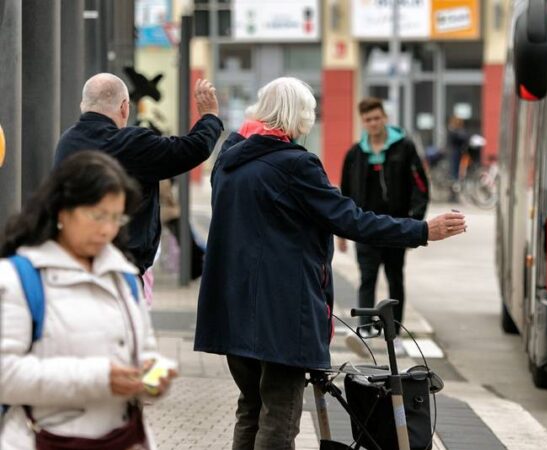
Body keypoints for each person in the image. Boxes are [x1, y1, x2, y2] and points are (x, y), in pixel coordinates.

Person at [194, 77, 466, 449]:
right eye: (308, 115)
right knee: (280, 416)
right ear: (296, 117)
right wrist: (421, 230)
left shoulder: (229, 160)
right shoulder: (295, 165)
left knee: (251, 408)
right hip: (281, 315)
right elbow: (351, 219)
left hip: (232, 308)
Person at [0, 151, 177, 449]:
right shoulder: (19, 278)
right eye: (97, 215)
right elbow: (6, 375)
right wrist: (100, 378)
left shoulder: (123, 279)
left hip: (122, 437)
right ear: (62, 211)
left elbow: (144, 352)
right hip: (45, 439)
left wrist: (153, 377)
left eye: (116, 217)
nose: (107, 229)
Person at [54, 73, 224, 294]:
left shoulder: (67, 142)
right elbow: (190, 150)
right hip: (121, 271)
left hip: (74, 264)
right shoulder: (130, 144)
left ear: (83, 105)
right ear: (125, 107)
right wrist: (209, 117)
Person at [338, 97, 430, 354]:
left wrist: (415, 223)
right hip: (364, 229)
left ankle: (395, 333)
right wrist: (341, 231)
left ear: (385, 118)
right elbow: (344, 194)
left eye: (377, 118)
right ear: (363, 122)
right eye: (368, 119)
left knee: (395, 279)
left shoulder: (404, 148)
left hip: (397, 228)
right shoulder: (355, 154)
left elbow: (421, 187)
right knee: (367, 279)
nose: (374, 123)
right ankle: (365, 330)